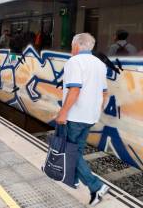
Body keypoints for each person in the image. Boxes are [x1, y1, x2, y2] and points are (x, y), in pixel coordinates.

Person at [56, 33, 109, 206]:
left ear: (77, 45)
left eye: (72, 45)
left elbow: (74, 91)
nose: (71, 48)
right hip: (90, 116)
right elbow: (105, 93)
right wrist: (95, 110)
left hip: (75, 116)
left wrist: (63, 113)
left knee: (70, 152)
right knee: (77, 149)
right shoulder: (100, 64)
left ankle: (96, 186)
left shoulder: (74, 62)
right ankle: (74, 179)